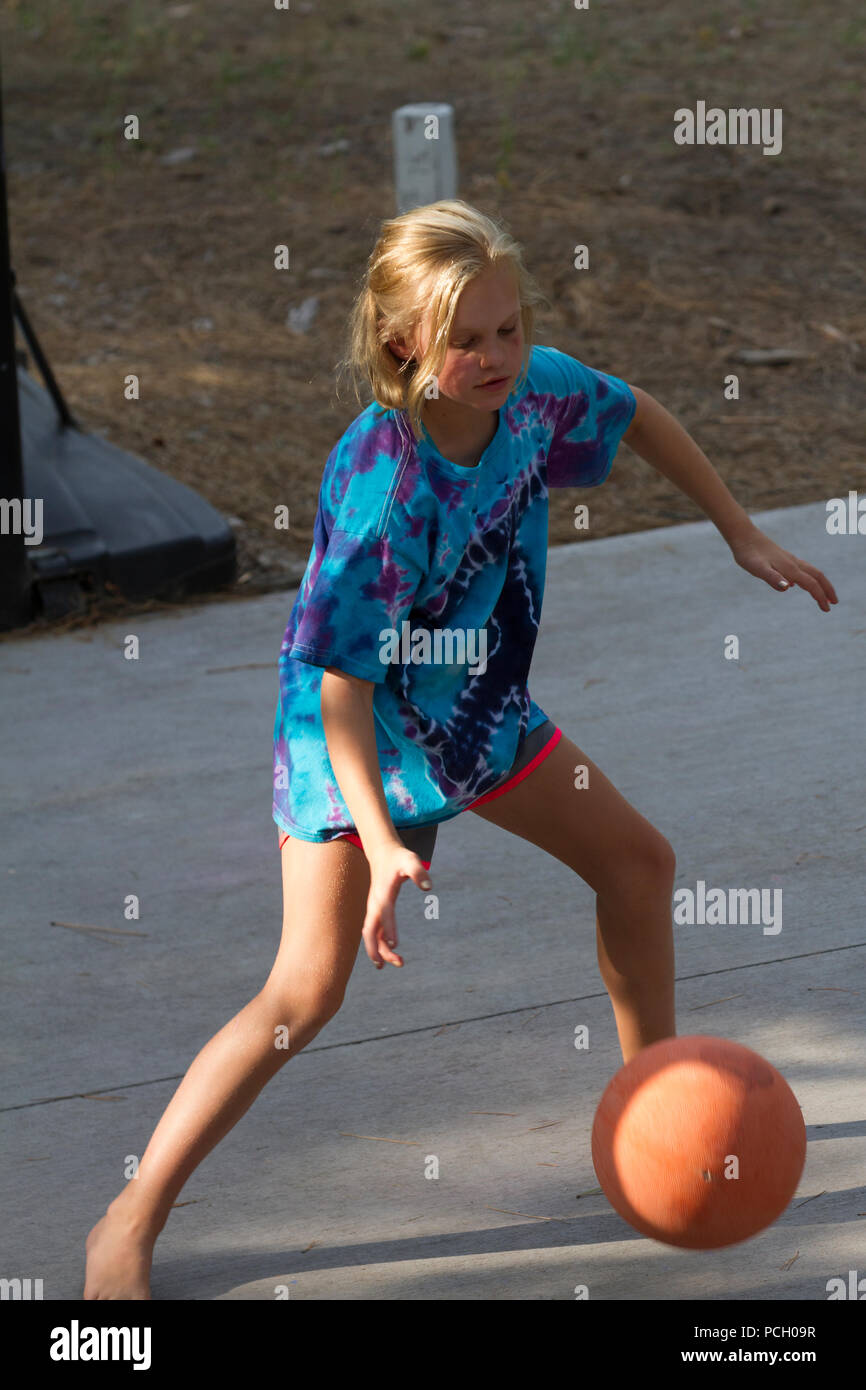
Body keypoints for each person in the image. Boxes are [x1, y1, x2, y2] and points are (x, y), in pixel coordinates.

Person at [83, 199, 837, 1300]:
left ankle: (651, 1117)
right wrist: (383, 843)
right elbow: (340, 690)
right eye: (466, 339)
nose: (495, 356)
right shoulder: (381, 479)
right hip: (357, 734)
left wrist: (736, 525)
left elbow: (634, 415)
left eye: (508, 328)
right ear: (403, 344)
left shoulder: (529, 396)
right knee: (304, 992)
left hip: (478, 707)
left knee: (638, 863)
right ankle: (129, 1218)